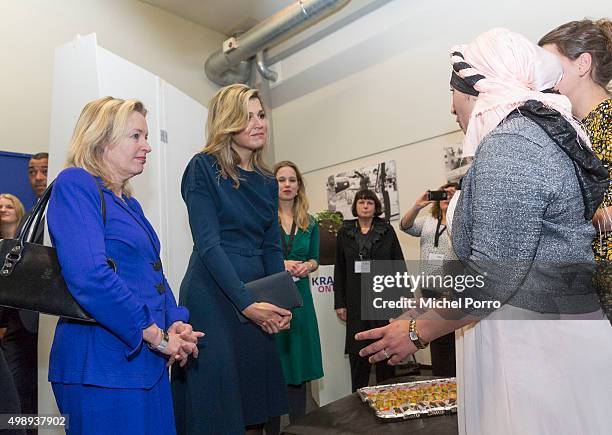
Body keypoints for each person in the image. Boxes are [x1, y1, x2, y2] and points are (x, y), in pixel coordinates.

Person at [356, 28, 612, 435]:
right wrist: (424, 308)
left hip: (538, 348)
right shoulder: (527, 136)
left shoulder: (513, 143)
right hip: (531, 335)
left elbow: (493, 277)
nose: (451, 108)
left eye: (452, 92)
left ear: (477, 91)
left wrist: (415, 332)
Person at [46, 96, 202, 435]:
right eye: (136, 136)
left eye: (146, 137)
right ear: (101, 139)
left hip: (147, 365)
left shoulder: (128, 203)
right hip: (102, 369)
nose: (147, 146)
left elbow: (152, 274)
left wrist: (175, 322)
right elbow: (90, 276)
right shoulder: (75, 184)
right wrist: (155, 335)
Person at [171, 84, 292, 435]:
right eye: (247, 116)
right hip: (214, 294)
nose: (258, 124)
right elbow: (208, 246)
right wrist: (247, 304)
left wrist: (280, 305)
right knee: (218, 408)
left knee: (255, 406)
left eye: (261, 115)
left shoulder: (268, 182)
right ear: (227, 122)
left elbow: (271, 248)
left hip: (256, 296)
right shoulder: (202, 168)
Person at [539, 18, 612, 321]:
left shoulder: (608, 120)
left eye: (549, 65)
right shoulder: (578, 131)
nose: (541, 77)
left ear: (583, 64)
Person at [334, 189, 404, 392]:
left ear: (376, 207)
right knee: (358, 349)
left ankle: (388, 392)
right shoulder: (344, 232)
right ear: (355, 206)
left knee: (385, 345)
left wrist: (403, 296)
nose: (365, 205)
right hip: (355, 298)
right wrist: (340, 302)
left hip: (384, 295)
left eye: (369, 202)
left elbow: (397, 262)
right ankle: (357, 395)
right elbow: (340, 268)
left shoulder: (386, 230)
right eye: (361, 202)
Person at [274, 160, 323, 422]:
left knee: (299, 362)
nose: (287, 185)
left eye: (292, 180)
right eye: (281, 179)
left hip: (301, 297)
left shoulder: (310, 222)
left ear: (298, 185)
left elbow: (315, 259)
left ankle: (298, 424)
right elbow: (258, 256)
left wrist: (307, 266)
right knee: (277, 361)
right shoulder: (264, 219)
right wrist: (282, 264)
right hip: (273, 295)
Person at [1, 155, 45, 431]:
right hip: (18, 325)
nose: (38, 177)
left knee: (40, 402)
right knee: (12, 403)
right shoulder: (32, 217)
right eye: (32, 172)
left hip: (46, 324)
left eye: (44, 171)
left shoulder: (53, 212)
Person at [399, 183, 457, 376]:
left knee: (455, 339)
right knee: (436, 336)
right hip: (430, 289)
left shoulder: (460, 222)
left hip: (452, 289)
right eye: (442, 194)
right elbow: (404, 226)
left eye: (451, 195)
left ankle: (458, 381)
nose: (445, 198)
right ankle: (441, 378)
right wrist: (417, 205)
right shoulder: (428, 221)